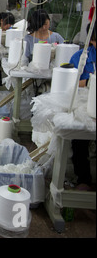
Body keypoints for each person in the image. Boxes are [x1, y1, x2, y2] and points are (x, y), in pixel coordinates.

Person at [69, 23, 96, 191]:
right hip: (85, 106)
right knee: (79, 136)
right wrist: (90, 82)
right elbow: (72, 82)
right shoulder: (81, 57)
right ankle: (83, 179)